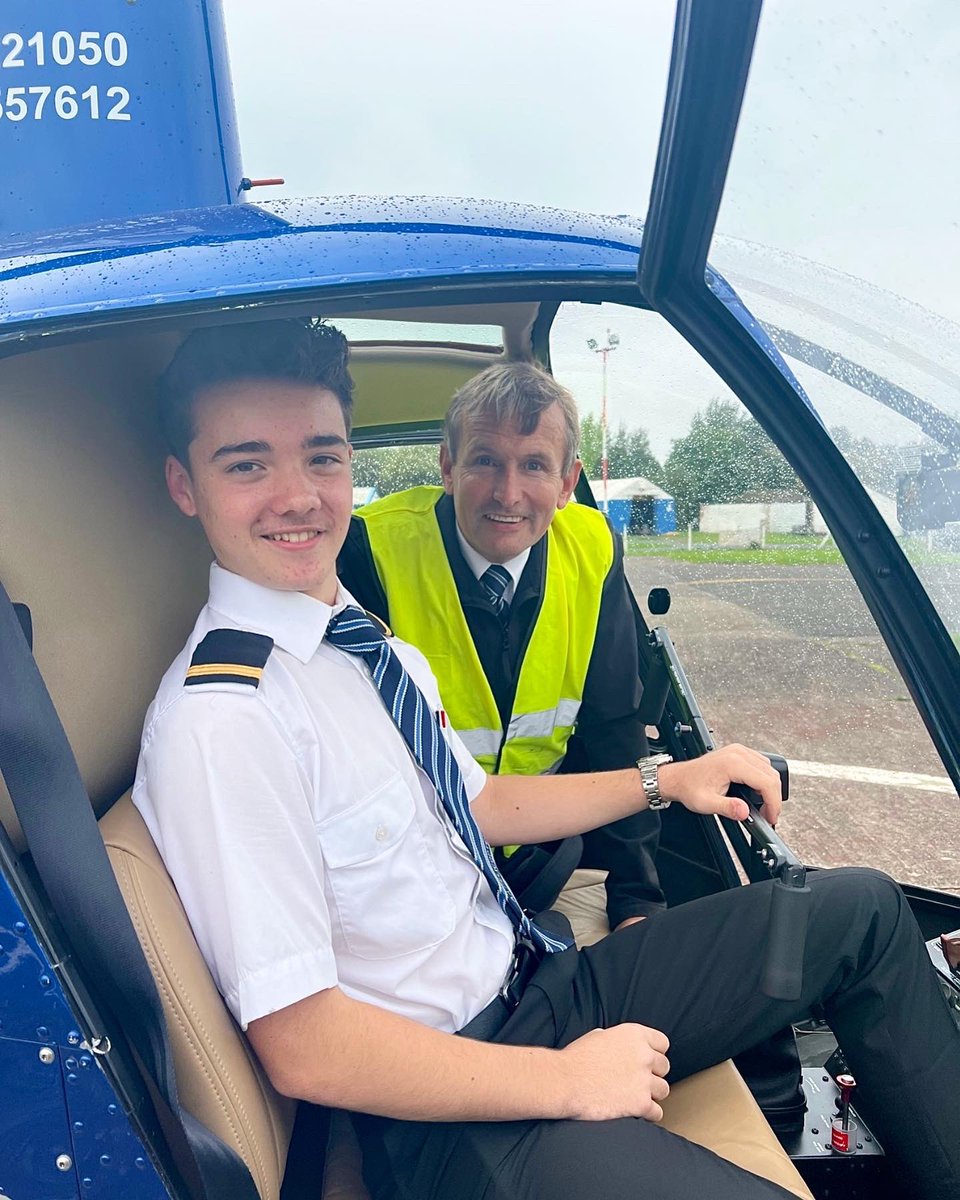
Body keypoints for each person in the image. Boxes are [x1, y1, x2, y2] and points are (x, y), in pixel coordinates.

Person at [135, 318, 960, 1200]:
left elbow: (478, 803)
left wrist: (666, 779)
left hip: (539, 982)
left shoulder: (362, 644)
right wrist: (567, 1080)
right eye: (248, 465)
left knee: (862, 910)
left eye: (323, 457)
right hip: (446, 1106)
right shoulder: (224, 721)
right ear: (185, 485)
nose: (299, 497)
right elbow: (306, 1048)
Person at [339, 362, 663, 929]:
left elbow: (615, 727)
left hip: (544, 857)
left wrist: (636, 901)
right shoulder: (367, 548)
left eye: (534, 465)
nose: (507, 494)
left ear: (568, 482)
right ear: (447, 466)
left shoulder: (593, 550)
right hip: (417, 863)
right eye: (485, 460)